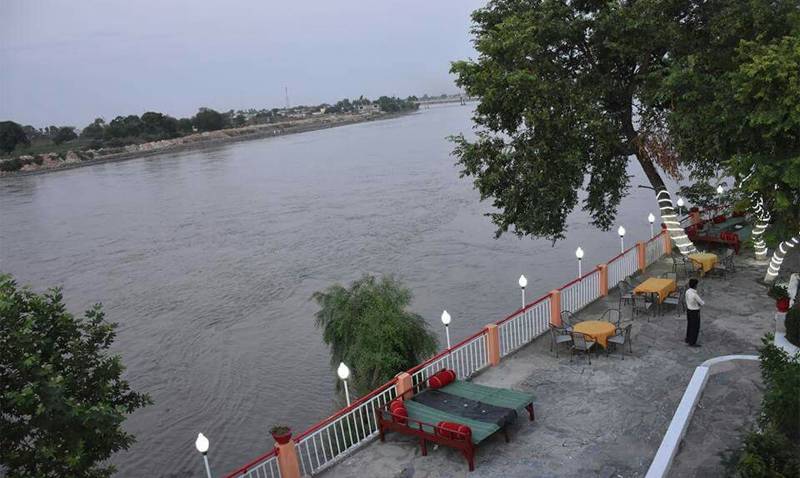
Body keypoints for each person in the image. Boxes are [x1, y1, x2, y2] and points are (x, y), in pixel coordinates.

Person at [685, 278, 704, 347]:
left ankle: (688, 338)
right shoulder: (694, 295)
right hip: (695, 312)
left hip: (689, 310)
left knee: (690, 325)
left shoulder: (687, 291)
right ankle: (692, 342)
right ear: (695, 285)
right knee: (695, 327)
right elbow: (702, 303)